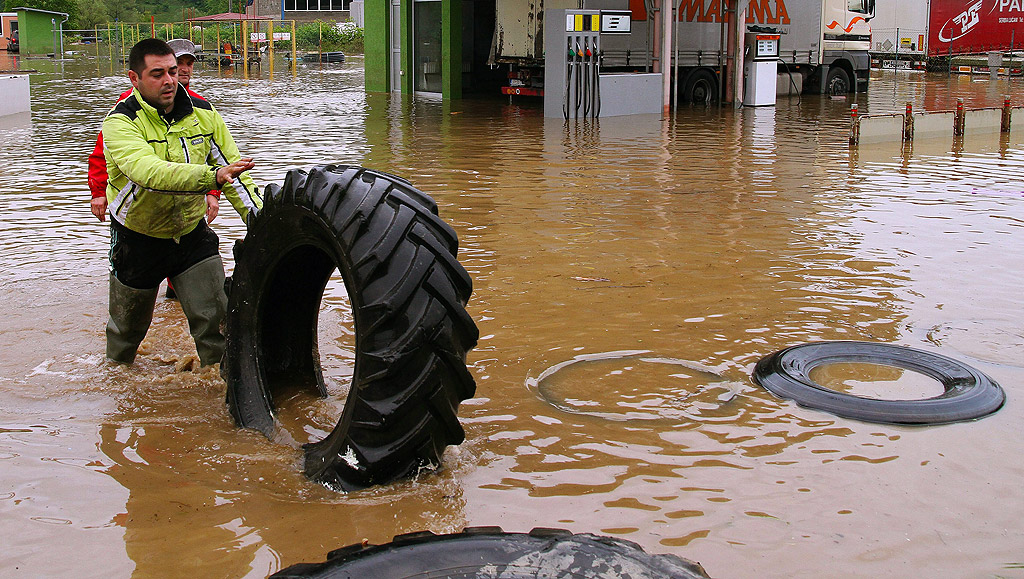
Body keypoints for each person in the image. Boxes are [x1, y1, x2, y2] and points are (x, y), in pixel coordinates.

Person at [101, 38, 262, 366]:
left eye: (173, 71)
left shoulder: (204, 114)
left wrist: (262, 222)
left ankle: (219, 394)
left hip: (190, 234)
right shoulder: (120, 122)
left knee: (217, 326)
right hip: (137, 238)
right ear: (135, 79)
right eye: (157, 74)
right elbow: (148, 172)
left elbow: (237, 175)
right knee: (125, 337)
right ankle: (118, 401)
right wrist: (211, 178)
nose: (169, 81)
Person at [89, 38, 220, 298]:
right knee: (131, 308)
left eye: (186, 64)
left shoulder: (201, 108)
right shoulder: (127, 109)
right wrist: (98, 191)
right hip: (140, 221)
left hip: (187, 220)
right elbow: (103, 152)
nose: (182, 70)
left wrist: (212, 194)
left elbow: (216, 156)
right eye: (174, 65)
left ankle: (175, 306)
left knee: (193, 295)